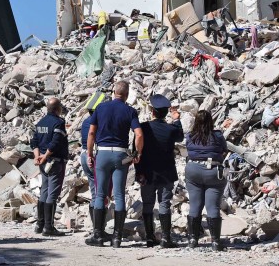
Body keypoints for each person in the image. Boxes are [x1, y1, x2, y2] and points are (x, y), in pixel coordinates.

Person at [85, 81, 143, 248]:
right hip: (121, 154)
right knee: (119, 195)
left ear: (113, 92)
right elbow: (139, 134)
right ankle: (117, 238)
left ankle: (98, 235)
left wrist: (89, 153)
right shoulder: (130, 111)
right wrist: (137, 153)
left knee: (100, 194)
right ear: (127, 95)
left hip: (102, 152)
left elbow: (91, 132)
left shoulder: (100, 108)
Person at [135, 94, 183, 248]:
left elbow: (136, 151)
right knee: (164, 204)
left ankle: (150, 237)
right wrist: (176, 119)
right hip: (166, 173)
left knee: (148, 204)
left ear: (152, 111)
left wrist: (138, 172)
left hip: (147, 173)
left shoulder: (143, 128)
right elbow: (181, 136)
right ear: (165, 113)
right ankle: (166, 238)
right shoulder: (171, 129)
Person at [185, 110, 227, 251]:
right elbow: (224, 150)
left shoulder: (190, 136)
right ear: (210, 121)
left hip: (193, 170)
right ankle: (215, 242)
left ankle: (192, 240)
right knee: (212, 206)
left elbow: (188, 150)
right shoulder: (218, 135)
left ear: (196, 121)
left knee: (194, 205)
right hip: (213, 171)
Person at [31, 97, 69, 237]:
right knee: (52, 194)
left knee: (44, 191)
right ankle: (49, 227)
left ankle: (39, 224)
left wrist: (38, 156)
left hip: (43, 162)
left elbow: (34, 141)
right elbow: (55, 142)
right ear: (58, 109)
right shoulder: (59, 123)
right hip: (54, 162)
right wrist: (46, 156)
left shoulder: (40, 123)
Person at [79, 91, 107, 231]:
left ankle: (96, 228)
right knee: (100, 193)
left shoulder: (85, 121)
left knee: (94, 190)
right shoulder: (99, 122)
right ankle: (99, 230)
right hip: (95, 156)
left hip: (84, 155)